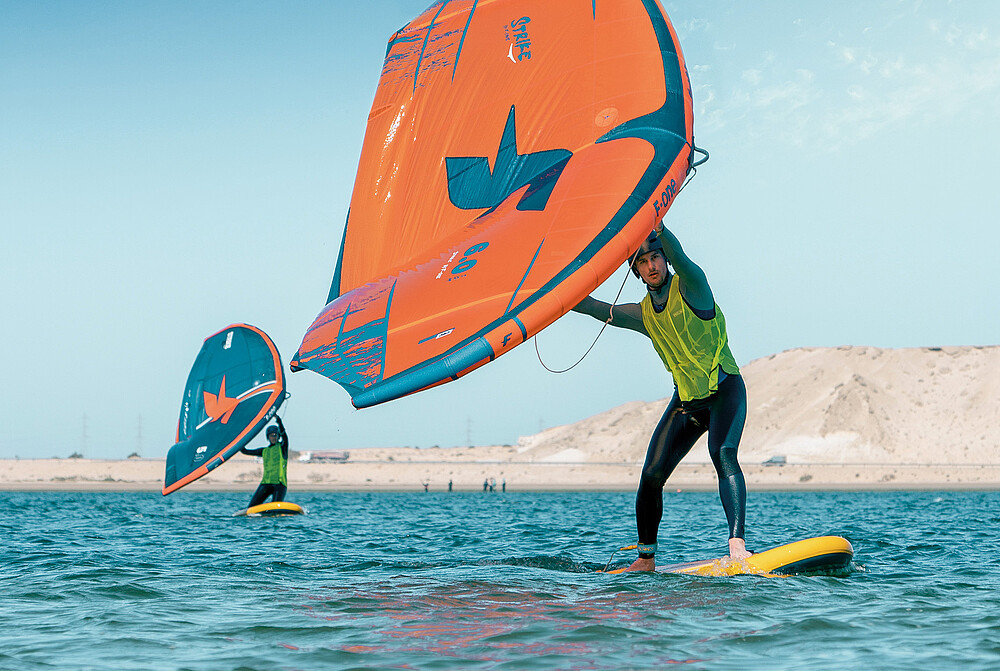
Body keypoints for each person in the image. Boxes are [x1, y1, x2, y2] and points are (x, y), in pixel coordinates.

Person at [572, 222, 751, 572]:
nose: (652, 265)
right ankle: (646, 558)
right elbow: (595, 308)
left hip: (724, 391)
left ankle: (737, 543)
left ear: (664, 259)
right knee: (651, 474)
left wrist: (657, 222)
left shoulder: (693, 287)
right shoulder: (643, 315)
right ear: (636, 271)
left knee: (723, 453)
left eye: (656, 257)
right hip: (686, 402)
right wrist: (548, 294)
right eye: (643, 262)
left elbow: (681, 256)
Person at [240, 415, 288, 508]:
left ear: (278, 436)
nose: (273, 437)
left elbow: (284, 435)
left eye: (275, 435)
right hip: (266, 483)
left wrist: (279, 421)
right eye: (271, 435)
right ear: (268, 437)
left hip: (279, 484)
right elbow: (244, 451)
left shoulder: (282, 448)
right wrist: (238, 439)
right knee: (251, 508)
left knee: (275, 507)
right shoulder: (264, 451)